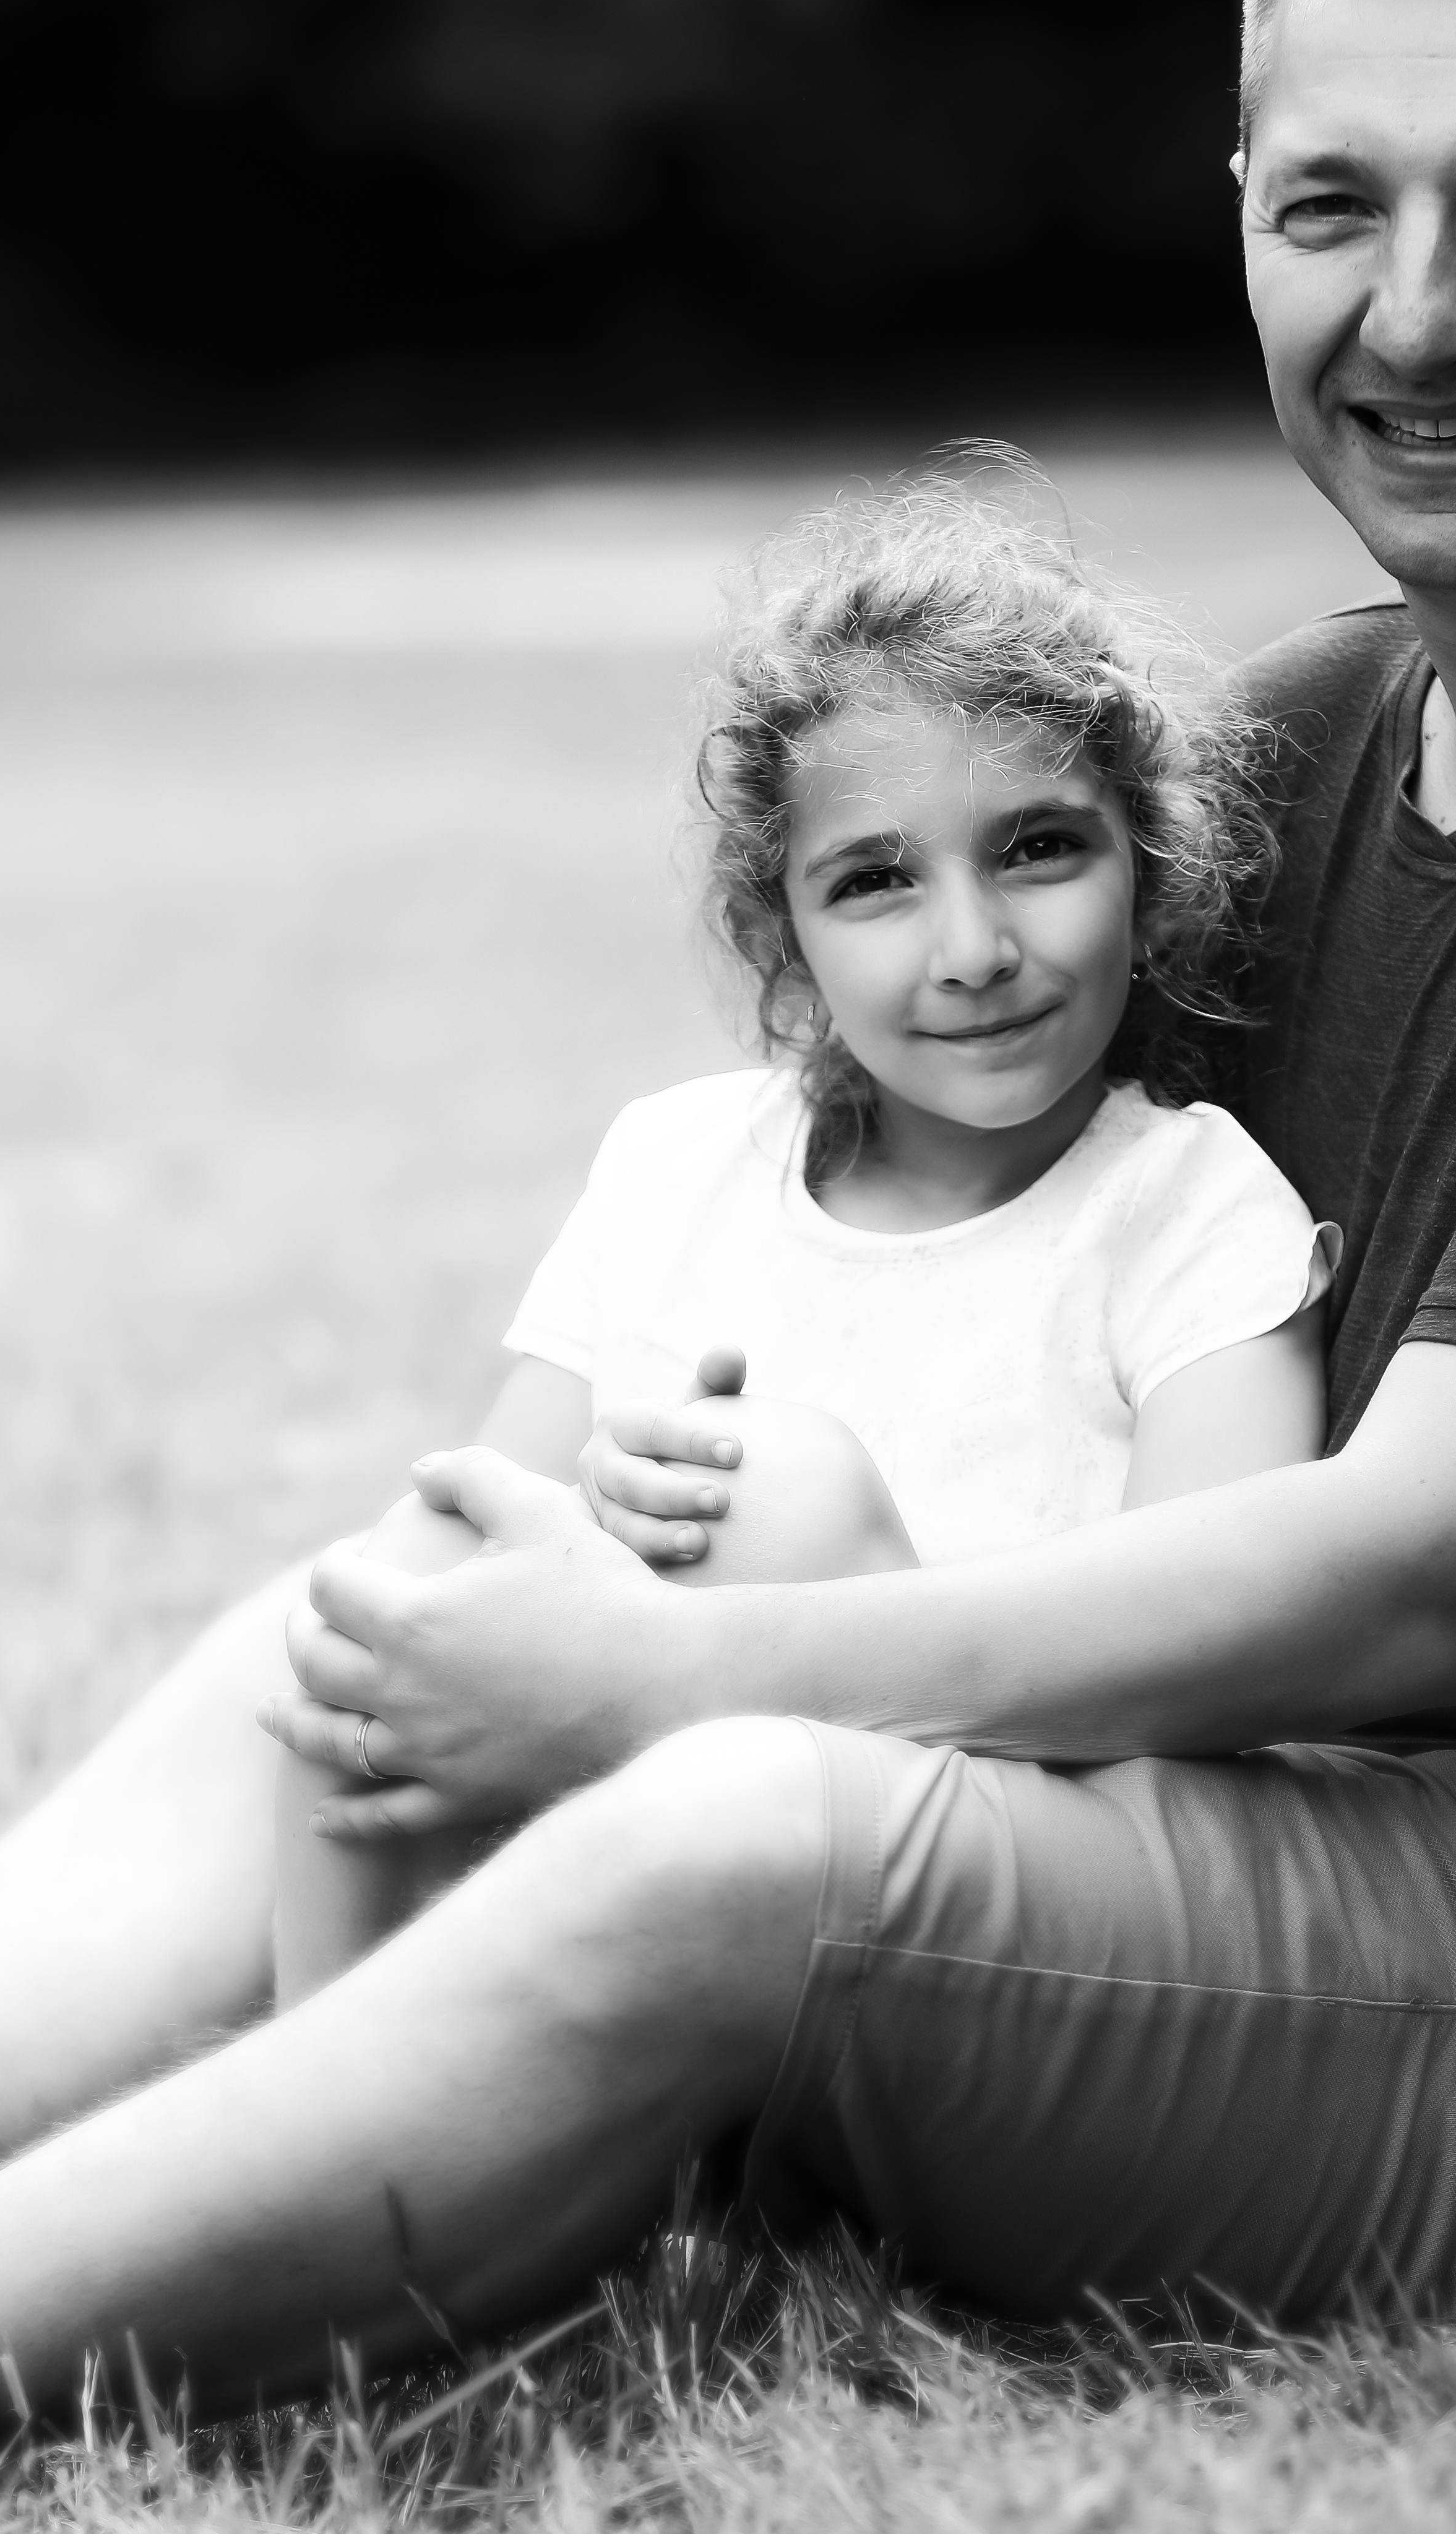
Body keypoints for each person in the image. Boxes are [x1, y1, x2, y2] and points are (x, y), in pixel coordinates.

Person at [0, 0, 1456, 2426]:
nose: (1416, 311)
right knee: (363, 1647)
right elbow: (939, 1159)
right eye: (1330, 205)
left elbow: (1412, 1586)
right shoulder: (1319, 736)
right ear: (1240, 219)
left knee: (729, 1830)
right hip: (1286, 1849)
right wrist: (590, 1570)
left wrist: (667, 1681)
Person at [274, 472, 1326, 1996]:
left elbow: (1218, 1668)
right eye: (876, 881)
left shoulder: (1189, 1211)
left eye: (1039, 848)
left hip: (1020, 1907)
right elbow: (479, 1549)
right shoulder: (680, 1167)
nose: (972, 950)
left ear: (1148, 873)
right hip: (659, 1854)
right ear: (786, 932)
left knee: (775, 1488)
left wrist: (748, 1563)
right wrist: (598, 1513)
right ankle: (340, 2075)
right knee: (393, 1587)